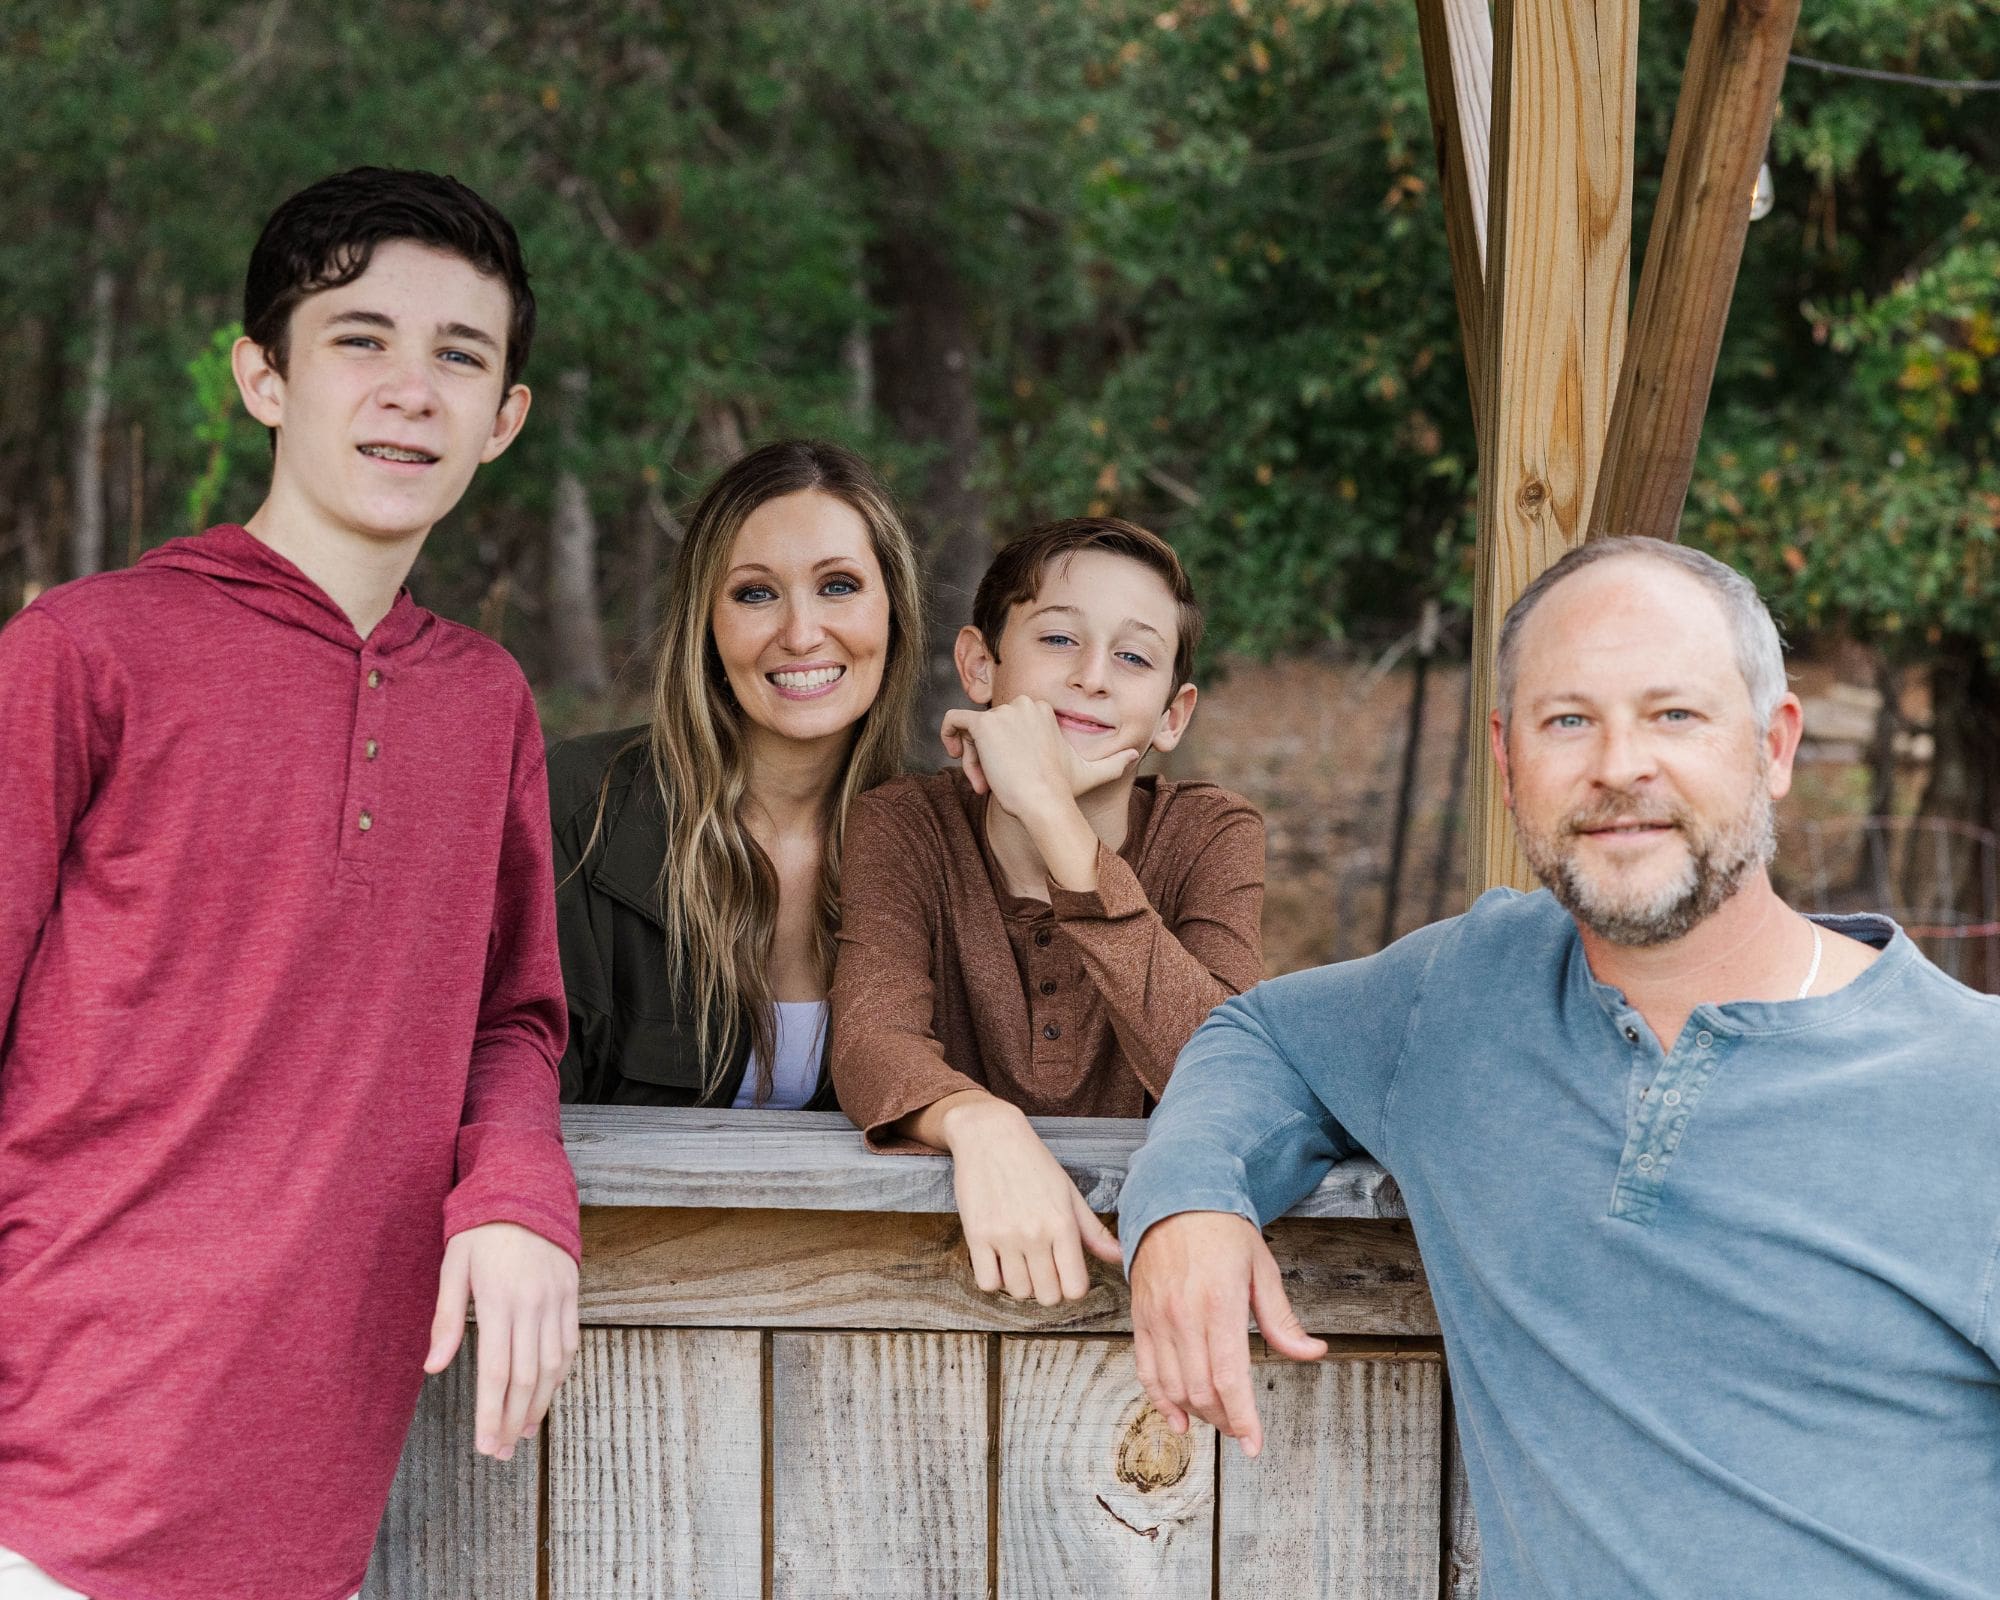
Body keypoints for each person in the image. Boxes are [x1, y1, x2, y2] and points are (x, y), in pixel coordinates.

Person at [1122, 536, 2000, 1600]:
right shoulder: (1463, 996)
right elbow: (1255, 1036)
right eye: (1567, 719)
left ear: (1773, 745)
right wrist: (1184, 1206)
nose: (1617, 763)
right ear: (1504, 761)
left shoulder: (1971, 1088)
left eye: (1672, 714)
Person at [0, 168, 580, 1600]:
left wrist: (515, 1193)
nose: (412, 388)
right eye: (360, 338)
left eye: (461, 354)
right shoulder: (85, 653)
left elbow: (514, 1017)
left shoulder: (485, 703)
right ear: (264, 376)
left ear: (505, 418)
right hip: (43, 1476)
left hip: (304, 1505)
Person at [831, 517, 1265, 1308]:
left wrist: (1052, 818)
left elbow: (1223, 1069)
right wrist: (976, 1121)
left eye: (1134, 657)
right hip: (930, 1286)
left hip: (1152, 1287)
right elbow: (869, 1037)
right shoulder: (904, 825)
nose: (1094, 677)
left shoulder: (1211, 834)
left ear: (1173, 714)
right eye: (1060, 640)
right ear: (980, 665)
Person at [551, 440, 925, 1109]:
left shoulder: (940, 838)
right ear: (707, 627)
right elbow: (510, 1098)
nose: (801, 633)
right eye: (756, 594)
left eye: (838, 586)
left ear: (893, 610)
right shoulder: (580, 808)